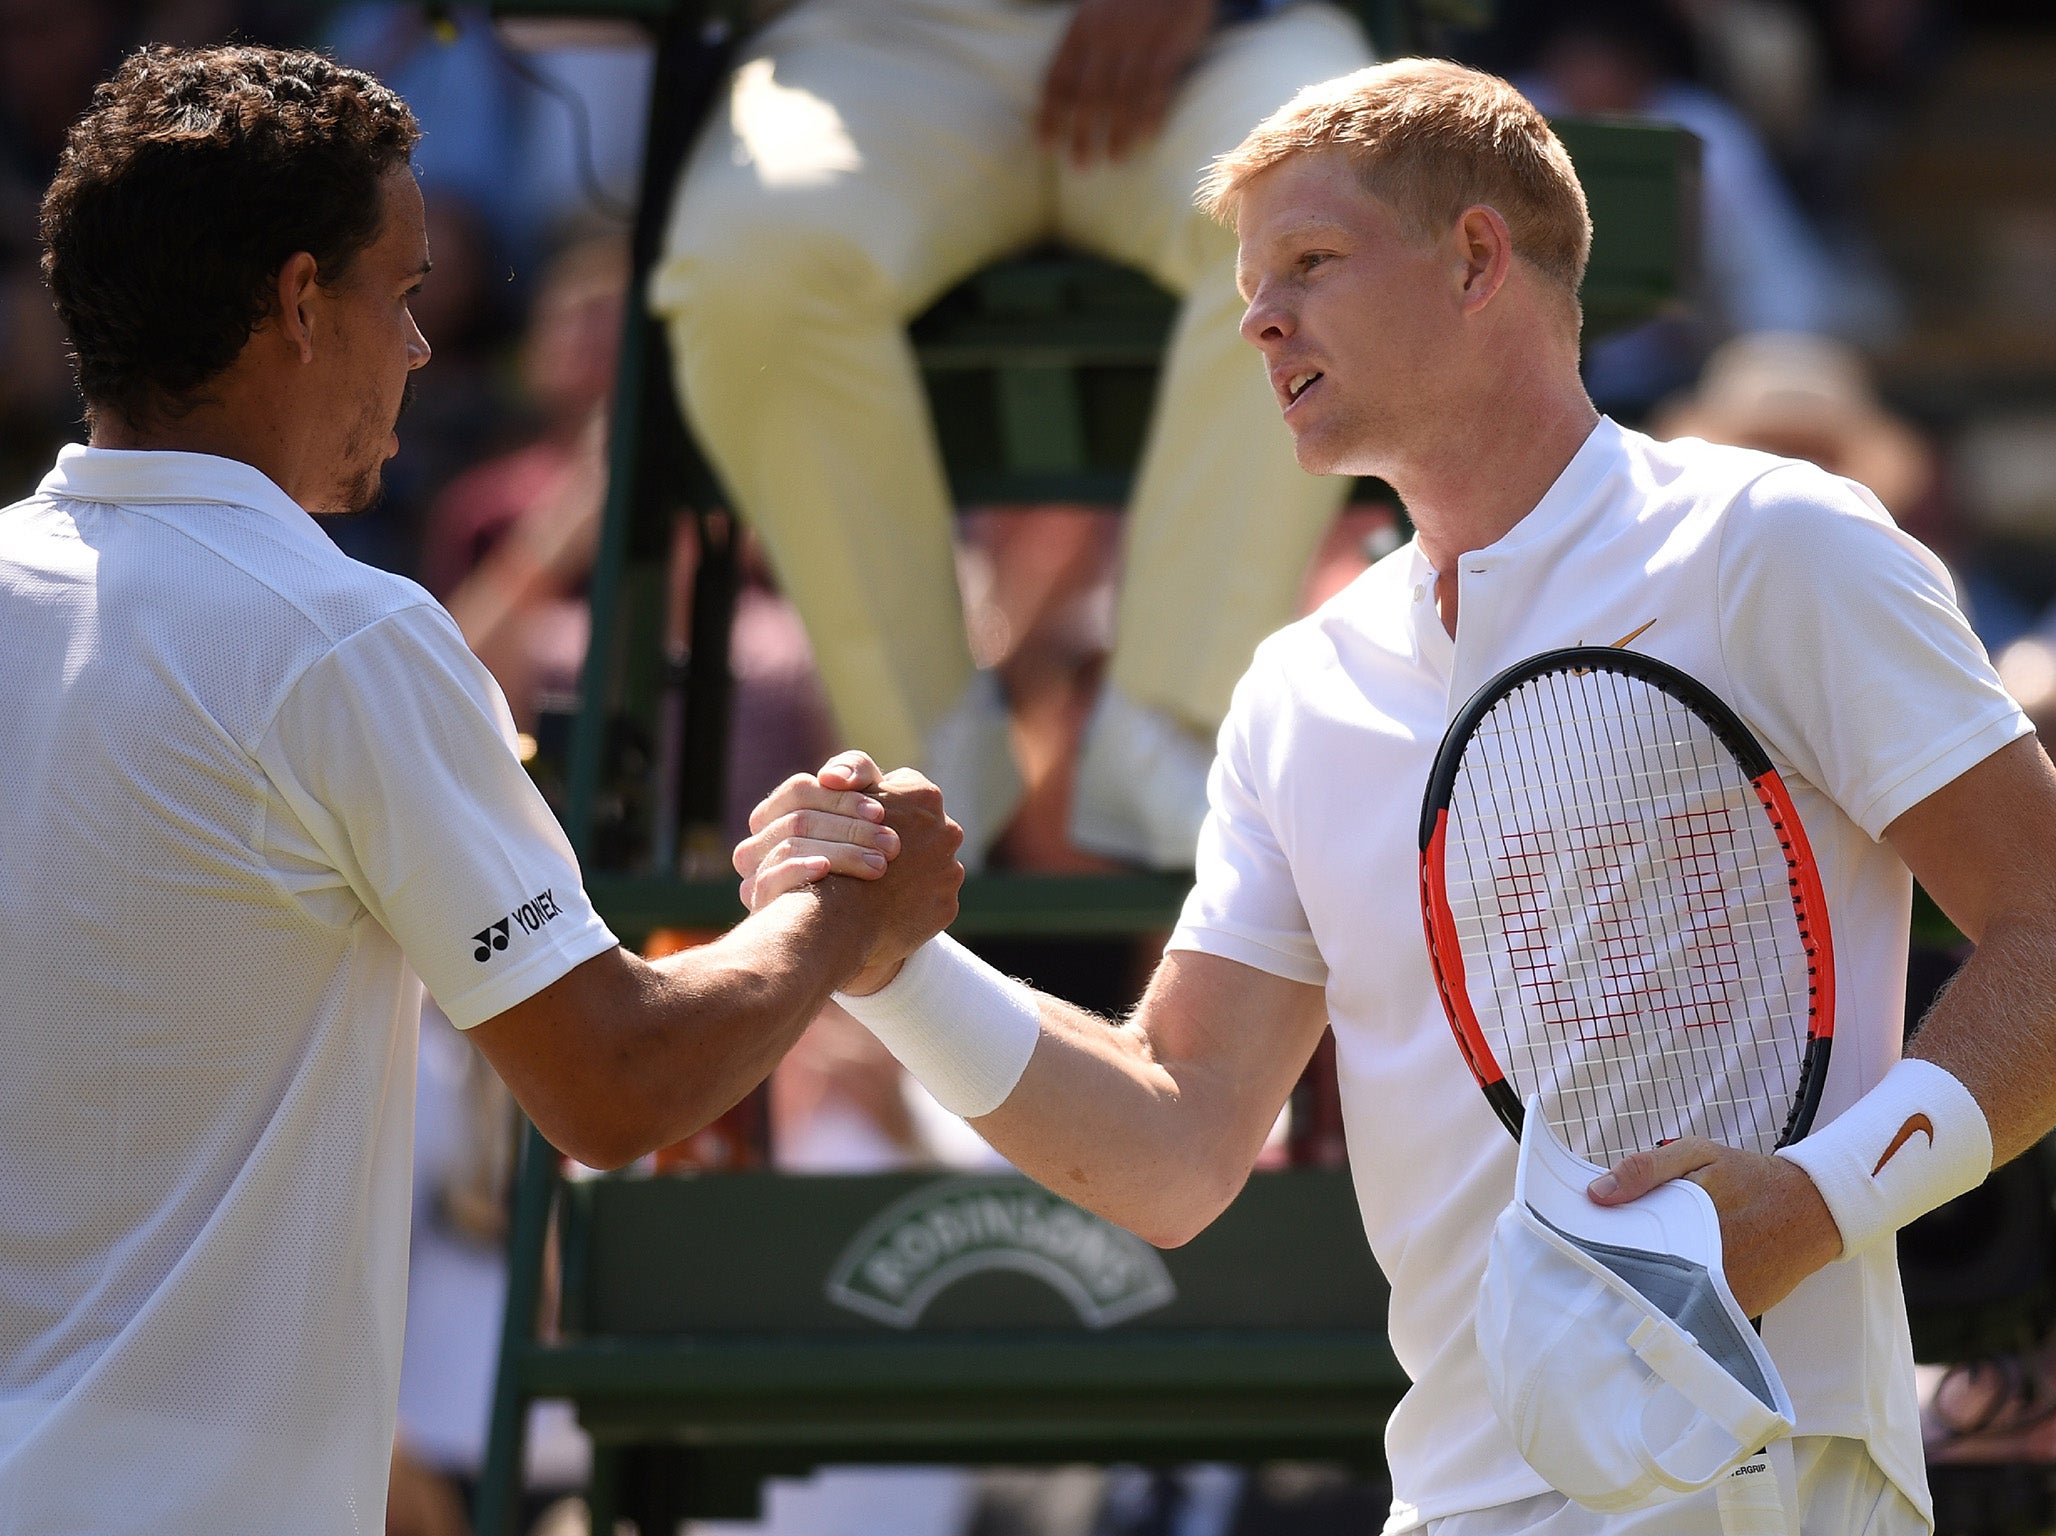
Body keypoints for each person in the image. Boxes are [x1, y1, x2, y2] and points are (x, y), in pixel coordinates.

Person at [738, 59, 2056, 1535]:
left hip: (1773, 1485)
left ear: (1479, 258)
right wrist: (892, 970)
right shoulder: (1300, 687)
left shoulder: (1774, 543)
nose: (1258, 317)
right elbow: (1173, 1149)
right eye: (1250, 283)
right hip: (1450, 1504)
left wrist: (1816, 1210)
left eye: (1309, 263)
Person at [0, 44, 957, 1532]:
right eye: (400, 290)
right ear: (302, 305)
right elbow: (616, 1084)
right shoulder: (346, 636)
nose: (423, 346)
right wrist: (838, 909)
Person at [650, 0, 1374, 870]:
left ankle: (1177, 736)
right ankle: (921, 769)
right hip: (881, 41)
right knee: (748, 263)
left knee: (1328, 210)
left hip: (1230, 36)